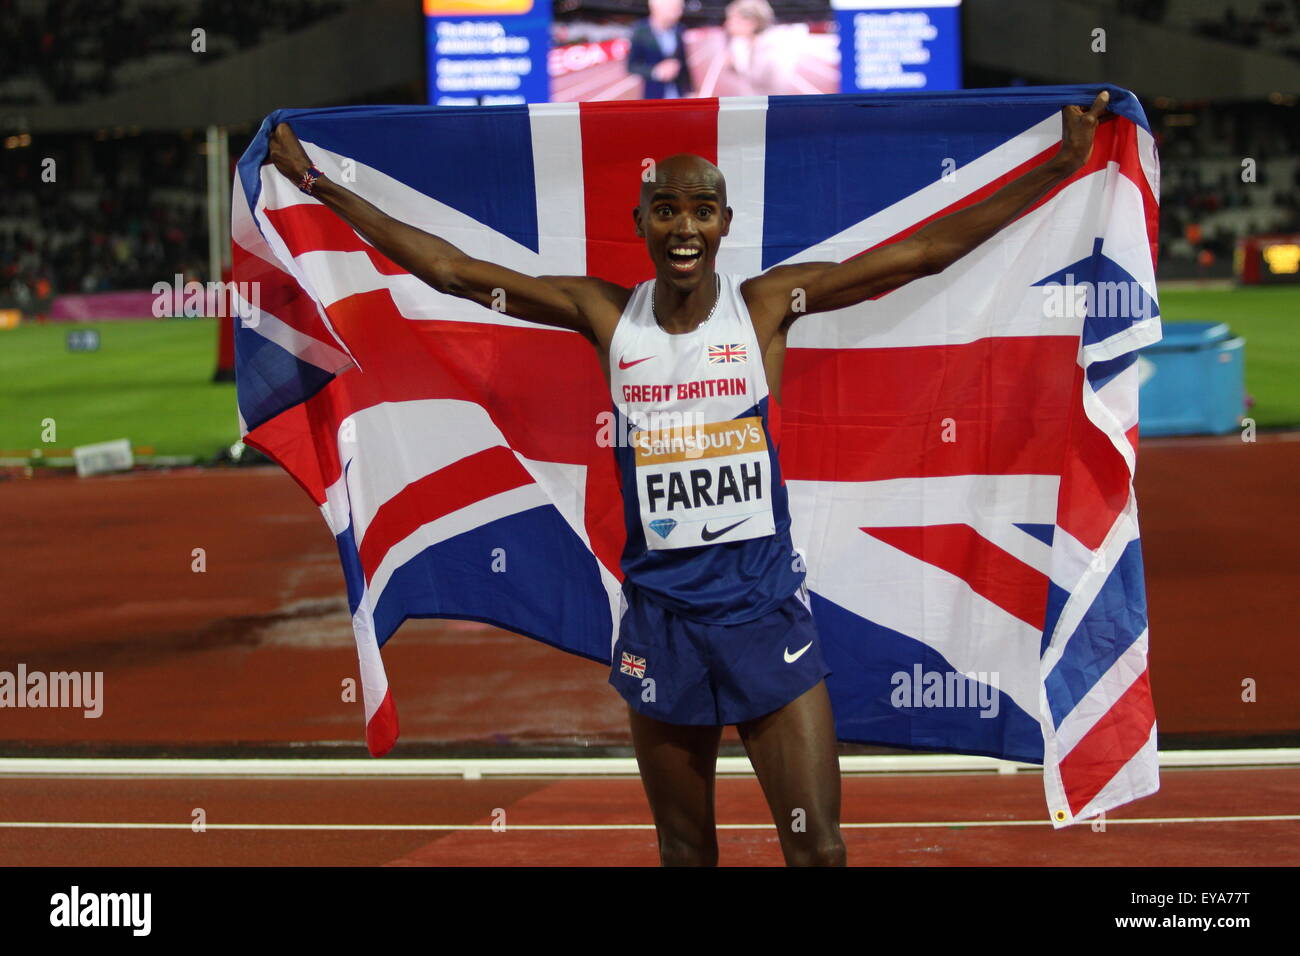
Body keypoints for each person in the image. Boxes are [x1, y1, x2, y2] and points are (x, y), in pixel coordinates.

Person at [268, 90, 1110, 866]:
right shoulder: (604, 314)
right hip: (663, 624)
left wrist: (1059, 166)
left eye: (701, 210)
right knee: (686, 856)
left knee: (819, 851)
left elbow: (923, 253)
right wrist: (317, 185)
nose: (684, 226)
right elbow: (451, 272)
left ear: (724, 223)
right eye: (666, 209)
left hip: (762, 613)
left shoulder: (770, 305)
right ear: (640, 221)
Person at [628, 0, 693, 100]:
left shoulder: (679, 29)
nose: (680, 12)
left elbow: (684, 64)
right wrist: (656, 72)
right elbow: (631, 65)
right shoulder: (640, 31)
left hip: (678, 93)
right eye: (675, 8)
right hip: (654, 95)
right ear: (658, 8)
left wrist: (690, 90)